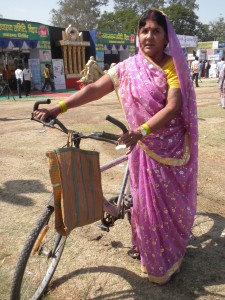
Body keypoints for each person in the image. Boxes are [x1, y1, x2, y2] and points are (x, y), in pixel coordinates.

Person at [33, 9, 198, 285]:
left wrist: (142, 131)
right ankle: (144, 243)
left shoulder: (172, 66)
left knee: (162, 206)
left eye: (156, 30)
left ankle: (167, 256)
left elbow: (174, 106)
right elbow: (94, 89)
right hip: (139, 144)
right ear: (138, 35)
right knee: (144, 202)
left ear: (166, 37)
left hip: (163, 146)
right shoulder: (127, 67)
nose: (149, 36)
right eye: (144, 30)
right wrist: (58, 107)